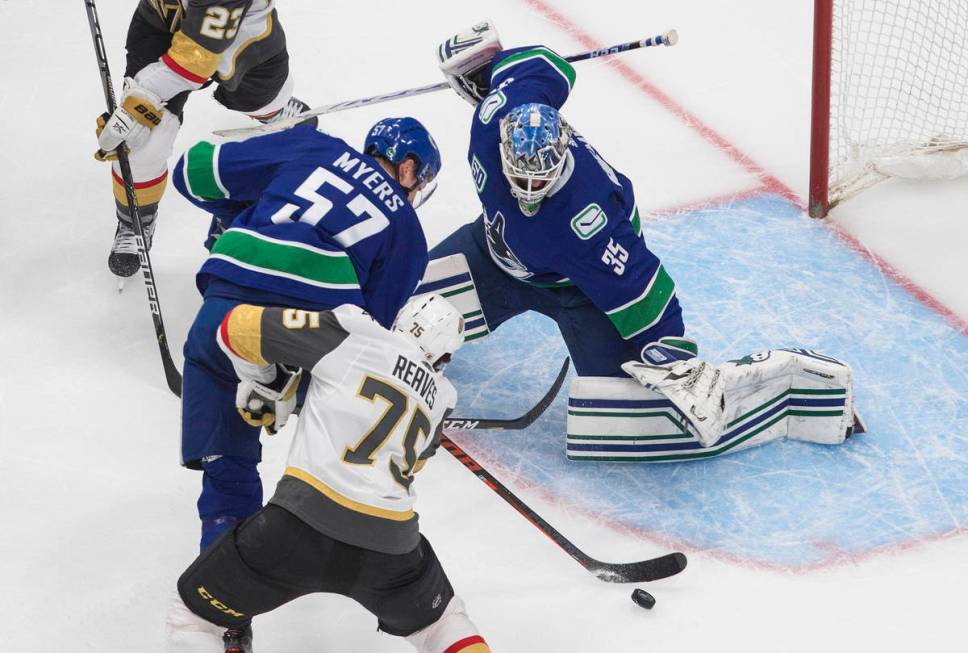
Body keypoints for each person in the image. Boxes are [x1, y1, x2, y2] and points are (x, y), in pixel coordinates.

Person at [433, 22, 860, 461]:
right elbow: (546, 64)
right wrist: (488, 65)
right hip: (492, 255)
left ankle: (779, 388)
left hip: (579, 292)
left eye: (539, 178)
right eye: (519, 176)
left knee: (621, 406)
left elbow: (641, 285)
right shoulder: (497, 112)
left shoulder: (586, 223)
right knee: (397, 304)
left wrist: (673, 356)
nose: (527, 191)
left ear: (561, 148)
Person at [171, 117, 441, 552]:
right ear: (408, 168)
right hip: (308, 331)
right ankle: (283, 385)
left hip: (227, 306)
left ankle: (221, 576)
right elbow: (366, 334)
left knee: (226, 457)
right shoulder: (408, 233)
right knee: (335, 403)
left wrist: (248, 209)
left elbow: (191, 170)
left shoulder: (313, 147)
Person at [165, 295, 491, 653]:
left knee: (194, 618)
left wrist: (265, 382)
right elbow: (414, 464)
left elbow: (235, 327)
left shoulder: (356, 332)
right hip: (391, 545)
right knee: (442, 625)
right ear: (445, 356)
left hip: (297, 525)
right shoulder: (441, 398)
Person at [94, 0, 316, 278]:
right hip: (163, 21)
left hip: (243, 39)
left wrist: (140, 98)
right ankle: (134, 218)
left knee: (262, 98)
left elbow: (197, 58)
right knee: (142, 141)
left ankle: (275, 110)